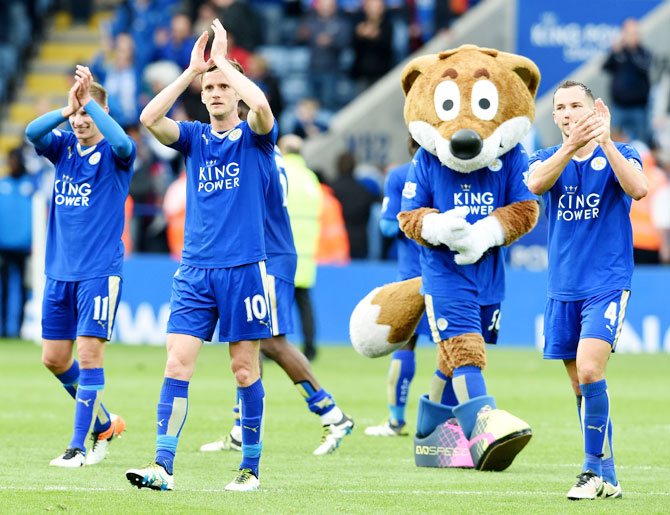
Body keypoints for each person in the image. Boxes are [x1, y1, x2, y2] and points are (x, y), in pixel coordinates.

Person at [125, 19, 276, 492]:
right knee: (176, 364)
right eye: (208, 87)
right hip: (194, 271)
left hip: (244, 269)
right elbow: (149, 119)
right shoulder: (193, 137)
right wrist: (190, 72)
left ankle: (249, 468)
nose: (213, 93)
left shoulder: (254, 136)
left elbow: (264, 107)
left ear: (234, 92)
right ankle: (163, 467)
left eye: (221, 85)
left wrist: (228, 65)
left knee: (244, 368)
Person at [527, 80, 648, 500]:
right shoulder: (547, 157)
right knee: (580, 385)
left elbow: (638, 188)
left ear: (593, 109)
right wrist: (568, 147)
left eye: (575, 105)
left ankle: (590, 471)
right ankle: (609, 475)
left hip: (607, 283)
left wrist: (607, 142)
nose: (566, 113)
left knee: (592, 369)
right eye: (560, 107)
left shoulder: (620, 154)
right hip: (563, 287)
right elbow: (534, 185)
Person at [200, 131, 353, 456]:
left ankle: (332, 413)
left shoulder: (253, 151)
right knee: (247, 343)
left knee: (269, 340)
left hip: (268, 255)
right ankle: (242, 429)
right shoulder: (268, 154)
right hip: (262, 254)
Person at [24, 65, 134, 467]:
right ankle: (105, 423)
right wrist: (66, 108)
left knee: (89, 355)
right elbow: (33, 133)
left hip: (99, 272)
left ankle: (78, 445)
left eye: (90, 113)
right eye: (79, 115)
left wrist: (91, 103)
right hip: (59, 272)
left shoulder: (117, 154)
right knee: (54, 359)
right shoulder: (64, 146)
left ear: (103, 113)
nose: (82, 121)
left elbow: (122, 140)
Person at [364, 137, 433, 437]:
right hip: (450, 275)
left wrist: (411, 214)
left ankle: (396, 421)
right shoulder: (458, 173)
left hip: (411, 276)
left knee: (405, 344)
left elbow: (388, 226)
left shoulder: (398, 175)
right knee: (455, 349)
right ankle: (449, 423)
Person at [281, 135, 322, 361]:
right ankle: (310, 347)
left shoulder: (278, 172)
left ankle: (273, 346)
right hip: (306, 252)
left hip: (281, 250)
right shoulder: (311, 178)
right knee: (304, 303)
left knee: (276, 301)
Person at [0, 148, 34, 338]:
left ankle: (20, 330)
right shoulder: (2, 184)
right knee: (3, 290)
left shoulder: (31, 184)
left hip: (24, 248)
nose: (12, 163)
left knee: (23, 289)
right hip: (3, 247)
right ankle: (4, 330)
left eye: (15, 160)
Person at [602, 18, 653, 144]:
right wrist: (616, 52)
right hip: (619, 107)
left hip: (639, 108)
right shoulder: (619, 53)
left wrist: (631, 52)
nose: (632, 37)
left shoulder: (643, 53)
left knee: (641, 143)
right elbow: (606, 67)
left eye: (634, 33)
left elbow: (644, 67)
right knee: (613, 141)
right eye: (629, 33)